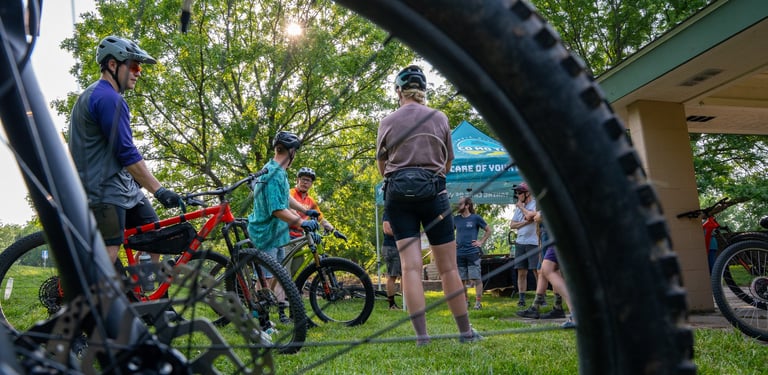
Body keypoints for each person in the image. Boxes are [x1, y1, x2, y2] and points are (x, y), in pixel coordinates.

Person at [377, 65, 481, 345]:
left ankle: (422, 337)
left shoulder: (387, 122)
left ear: (398, 90)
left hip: (398, 196)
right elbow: (448, 163)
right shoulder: (439, 117)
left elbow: (382, 167)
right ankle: (465, 333)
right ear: (423, 90)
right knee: (448, 268)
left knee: (410, 268)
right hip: (434, 194)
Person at [68, 36, 181, 273]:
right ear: (112, 65)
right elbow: (126, 153)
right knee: (109, 250)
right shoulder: (108, 99)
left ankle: (139, 291)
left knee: (155, 236)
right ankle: (83, 294)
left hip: (123, 188)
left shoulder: (96, 95)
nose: (138, 73)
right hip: (103, 190)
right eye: (134, 66)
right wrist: (159, 191)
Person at [247, 131, 319, 323]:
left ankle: (266, 313)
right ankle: (259, 319)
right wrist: (302, 222)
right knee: (265, 279)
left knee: (275, 276)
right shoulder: (272, 173)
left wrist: (305, 210)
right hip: (266, 234)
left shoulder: (279, 171)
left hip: (278, 234)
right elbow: (277, 210)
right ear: (291, 152)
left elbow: (284, 198)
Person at [517, 212, 576, 328]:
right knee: (547, 268)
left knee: (547, 269)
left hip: (560, 234)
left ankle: (574, 312)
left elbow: (540, 216)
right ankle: (567, 310)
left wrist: (534, 213)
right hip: (561, 233)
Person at [454, 197, 492, 310]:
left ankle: (478, 303)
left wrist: (481, 242)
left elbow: (488, 230)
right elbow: (447, 232)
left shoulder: (476, 218)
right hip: (459, 253)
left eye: (460, 204)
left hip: (473, 253)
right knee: (461, 279)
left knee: (476, 278)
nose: (458, 206)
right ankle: (465, 301)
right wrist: (452, 242)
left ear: (467, 206)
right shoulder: (455, 219)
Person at [509, 182, 538, 307]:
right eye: (516, 193)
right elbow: (512, 225)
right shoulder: (519, 208)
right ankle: (521, 299)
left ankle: (540, 298)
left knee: (536, 270)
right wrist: (525, 222)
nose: (517, 195)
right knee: (521, 272)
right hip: (520, 242)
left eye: (520, 192)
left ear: (528, 193)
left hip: (533, 242)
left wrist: (521, 208)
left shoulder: (535, 204)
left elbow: (531, 216)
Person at [382, 210, 402, 310]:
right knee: (392, 276)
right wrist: (403, 234)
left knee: (405, 275)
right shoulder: (389, 212)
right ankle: (392, 305)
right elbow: (387, 229)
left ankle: (407, 303)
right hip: (391, 248)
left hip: (399, 247)